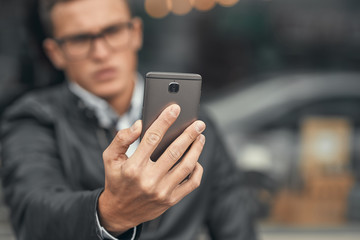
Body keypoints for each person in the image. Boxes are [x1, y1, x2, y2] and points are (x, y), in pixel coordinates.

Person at [0, 0, 257, 239]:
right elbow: (34, 216)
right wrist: (111, 212)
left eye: (112, 31)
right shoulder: (32, 119)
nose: (100, 52)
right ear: (55, 53)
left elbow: (236, 225)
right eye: (80, 39)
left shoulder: (197, 124)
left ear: (135, 33)